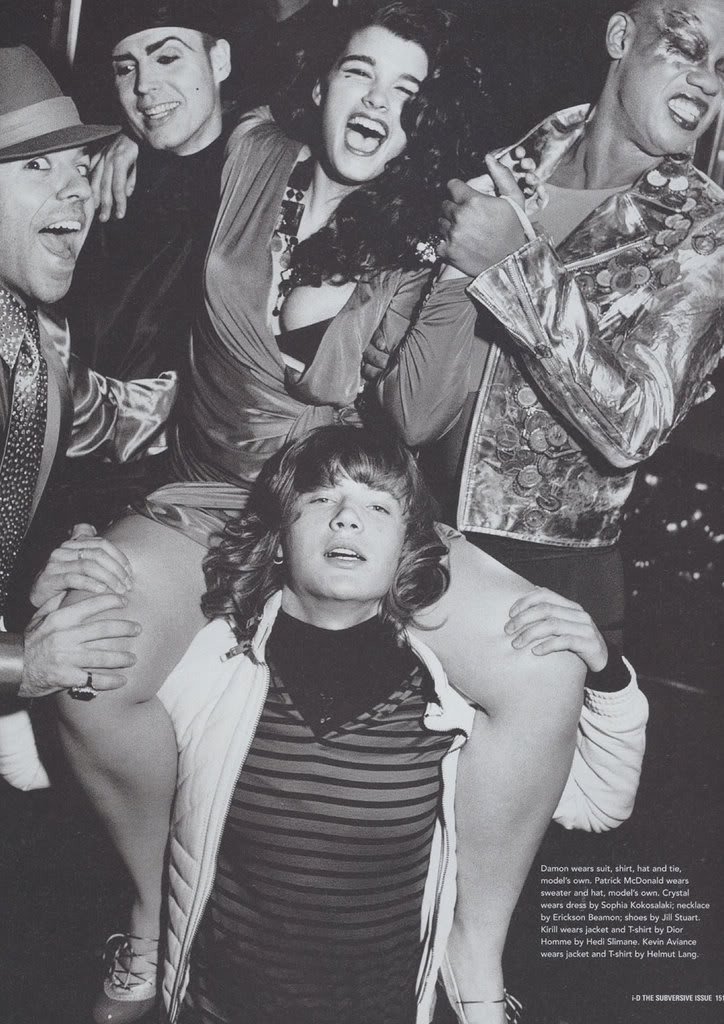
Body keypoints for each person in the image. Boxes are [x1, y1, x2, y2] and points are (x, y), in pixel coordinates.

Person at [52, 6, 641, 1021]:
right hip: (205, 495)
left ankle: (475, 962)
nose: (378, 103)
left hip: (344, 500)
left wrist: (459, 277)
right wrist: (110, 151)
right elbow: (168, 120)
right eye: (362, 74)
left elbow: (416, 416)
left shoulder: (425, 240)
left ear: (426, 120)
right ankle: (149, 922)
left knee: (544, 670)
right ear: (321, 84)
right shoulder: (250, 149)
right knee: (85, 662)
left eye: (408, 93)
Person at [154, 425, 646, 1024]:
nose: (346, 518)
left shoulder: (452, 702)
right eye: (320, 498)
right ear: (279, 540)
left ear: (405, 552)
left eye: (378, 507)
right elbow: (71, 745)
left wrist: (605, 672)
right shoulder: (207, 666)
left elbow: (600, 804)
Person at [368, 0, 724, 646]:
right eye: (687, 46)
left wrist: (516, 267)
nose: (706, 81)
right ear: (621, 36)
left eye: (723, 69)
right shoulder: (507, 162)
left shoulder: (707, 232)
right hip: (406, 540)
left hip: (546, 591)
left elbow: (636, 426)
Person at [0, 45, 178, 786]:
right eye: (36, 166)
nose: (76, 187)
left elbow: (132, 418)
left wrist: (31, 588)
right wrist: (23, 661)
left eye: (78, 165)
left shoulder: (30, 340)